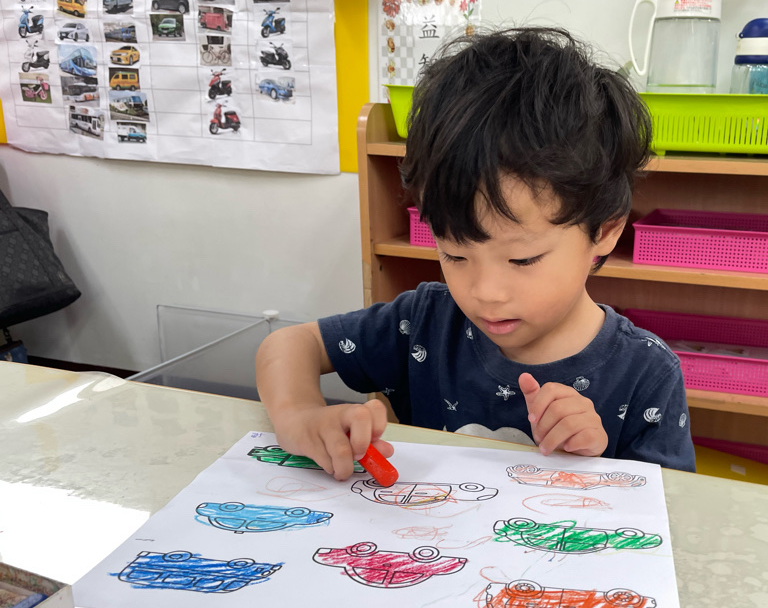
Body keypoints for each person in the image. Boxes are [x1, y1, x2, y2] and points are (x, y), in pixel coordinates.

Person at [255, 26, 696, 479]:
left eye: (522, 260)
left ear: (604, 231)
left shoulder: (646, 375)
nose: (485, 292)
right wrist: (300, 414)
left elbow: (670, 508)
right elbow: (290, 344)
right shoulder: (425, 323)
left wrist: (597, 470)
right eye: (454, 255)